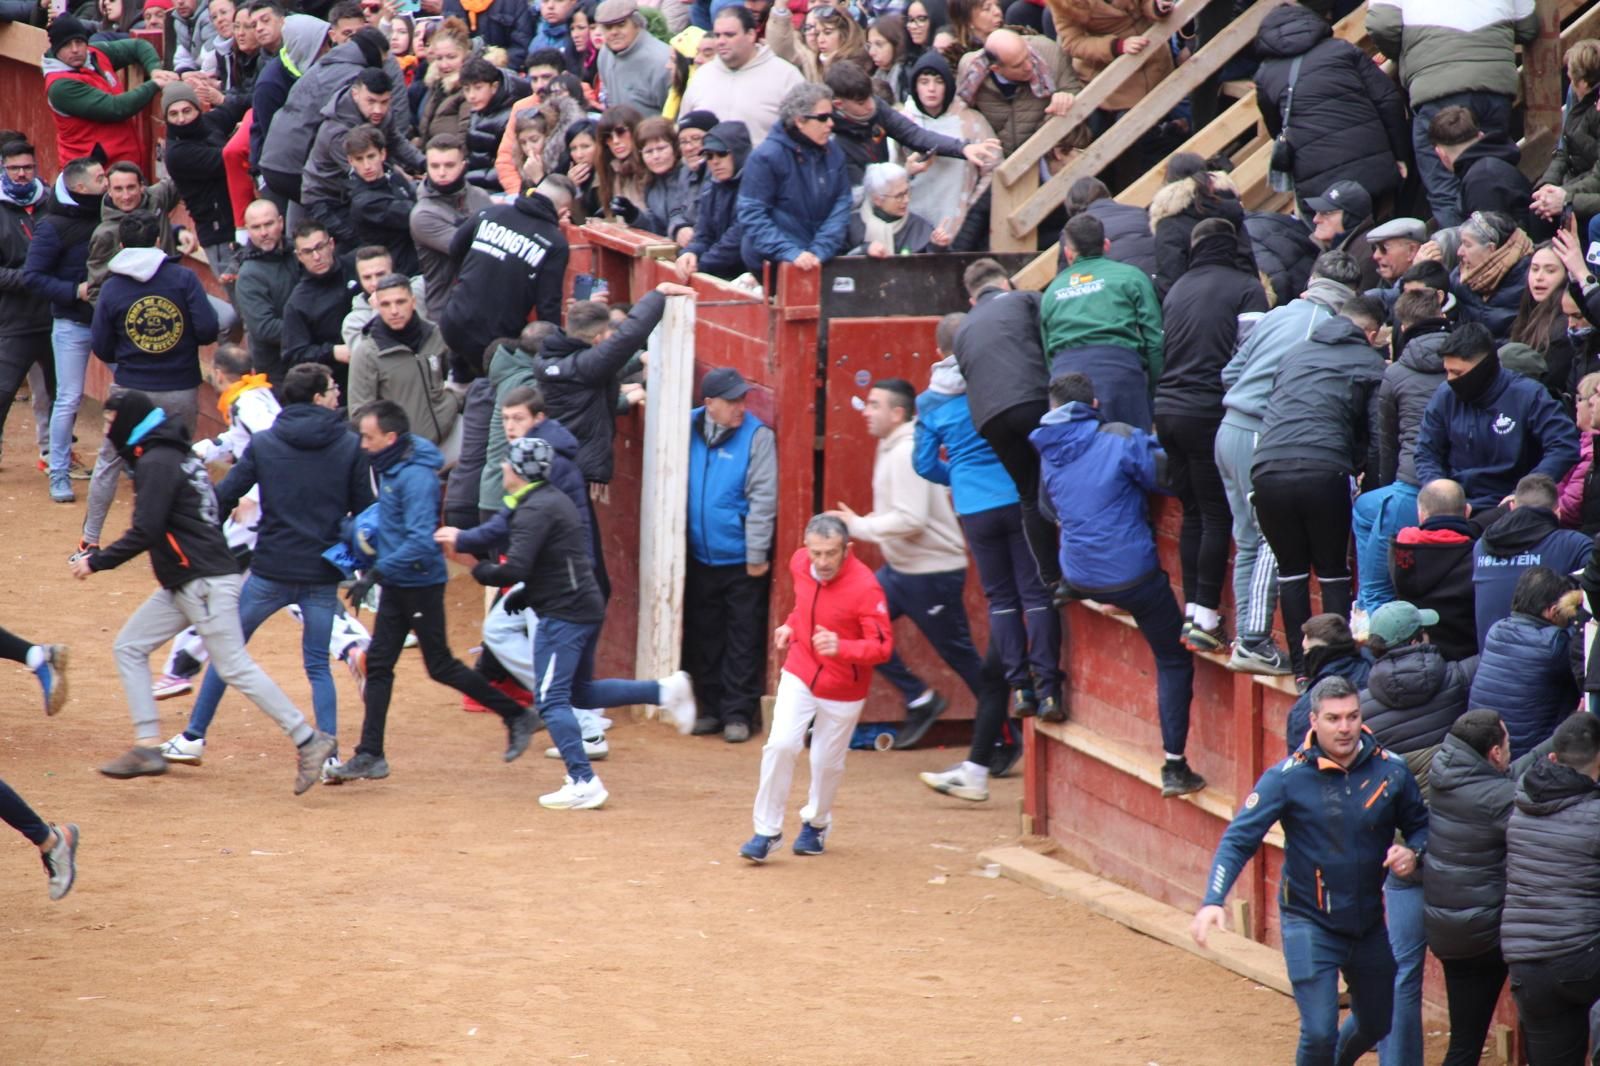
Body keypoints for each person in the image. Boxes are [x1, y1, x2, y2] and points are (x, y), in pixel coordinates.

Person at [72, 390, 336, 792]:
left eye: (110, 422)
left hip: (202, 581)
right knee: (130, 645)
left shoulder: (157, 461)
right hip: (191, 579)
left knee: (234, 666)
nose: (108, 430)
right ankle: (147, 746)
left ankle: (308, 739)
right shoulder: (174, 455)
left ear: (129, 422)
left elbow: (147, 529)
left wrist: (96, 560)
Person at [1192, 675, 1428, 1066]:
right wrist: (1213, 899)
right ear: (1314, 721)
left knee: (1376, 1023)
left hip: (1367, 922)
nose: (1346, 727)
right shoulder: (1285, 778)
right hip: (1308, 919)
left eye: (1353, 716)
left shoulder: (1392, 771)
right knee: (1319, 1030)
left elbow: (1421, 825)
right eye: (1334, 718)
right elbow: (1238, 839)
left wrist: (1413, 852)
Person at [466, 434, 696, 808]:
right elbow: (561, 561)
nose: (503, 466)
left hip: (565, 615)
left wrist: (481, 570)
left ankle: (583, 779)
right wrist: (528, 593)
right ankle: (665, 691)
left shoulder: (536, 508)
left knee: (550, 699)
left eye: (508, 462)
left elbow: (521, 566)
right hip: (578, 607)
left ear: (520, 471)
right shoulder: (549, 500)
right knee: (580, 693)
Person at [161, 361, 372, 767]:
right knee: (318, 666)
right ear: (316, 397)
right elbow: (364, 516)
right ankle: (329, 758)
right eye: (331, 389)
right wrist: (349, 564)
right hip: (320, 573)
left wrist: (205, 543)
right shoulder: (349, 446)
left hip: (270, 569)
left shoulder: (265, 445)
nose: (337, 395)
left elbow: (224, 497)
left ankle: (193, 738)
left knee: (228, 653)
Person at [326, 402, 540, 783]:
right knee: (378, 665)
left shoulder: (415, 478)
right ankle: (370, 754)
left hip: (419, 583)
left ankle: (516, 714)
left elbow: (421, 542)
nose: (362, 444)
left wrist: (375, 572)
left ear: (390, 438)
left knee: (439, 665)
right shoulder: (392, 466)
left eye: (368, 437)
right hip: (398, 581)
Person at [1033, 372, 1205, 796]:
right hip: (1132, 578)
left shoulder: (1046, 449)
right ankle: (1175, 767)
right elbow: (1166, 478)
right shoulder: (1118, 438)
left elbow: (1045, 506)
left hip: (1079, 573)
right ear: (1093, 404)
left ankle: (1076, 588)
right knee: (1173, 659)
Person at [1217, 249, 1360, 675]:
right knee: (1270, 541)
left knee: (1249, 539)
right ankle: (1255, 639)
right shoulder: (1323, 328)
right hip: (1267, 433)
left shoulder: (1277, 313)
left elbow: (1230, 374)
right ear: (1348, 297)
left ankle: (1249, 635)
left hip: (1230, 427)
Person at [914, 312, 1059, 725]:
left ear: (940, 352)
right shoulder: (994, 378)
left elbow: (924, 464)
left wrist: (958, 478)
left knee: (1001, 598)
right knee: (1036, 594)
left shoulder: (929, 401)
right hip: (1018, 496)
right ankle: (1048, 690)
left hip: (974, 508)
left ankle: (1021, 689)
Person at [831, 378, 988, 742]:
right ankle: (920, 699)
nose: (866, 412)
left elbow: (912, 519)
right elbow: (902, 512)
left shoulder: (905, 451)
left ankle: (1002, 735)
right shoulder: (891, 446)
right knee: (855, 626)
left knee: (961, 658)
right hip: (901, 572)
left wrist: (858, 526)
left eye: (874, 405)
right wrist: (864, 523)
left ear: (897, 413)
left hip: (931, 574)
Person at [1357, 599, 1476, 1066]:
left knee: (1402, 970)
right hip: (1461, 848)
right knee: (1468, 969)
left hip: (1403, 852)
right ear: (1418, 640)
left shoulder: (1362, 706)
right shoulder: (1456, 679)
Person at [739, 514, 894, 862]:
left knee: (825, 762)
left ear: (847, 550)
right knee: (780, 744)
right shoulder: (799, 563)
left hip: (844, 687)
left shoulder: (866, 588)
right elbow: (804, 607)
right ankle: (767, 831)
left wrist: (843, 647)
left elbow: (882, 646)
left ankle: (817, 823)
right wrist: (791, 626)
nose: (822, 562)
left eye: (831, 553)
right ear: (806, 548)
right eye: (816, 553)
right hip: (800, 669)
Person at [1250, 297, 1388, 676]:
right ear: (1371, 334)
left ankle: (1302, 670)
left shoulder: (1295, 353)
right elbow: (1377, 437)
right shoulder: (1370, 362)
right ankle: (1337, 668)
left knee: (1291, 570)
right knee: (1332, 572)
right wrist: (1372, 482)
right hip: (1323, 469)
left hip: (1267, 471)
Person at [1153, 217, 1267, 652]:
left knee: (1193, 513)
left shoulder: (1179, 287)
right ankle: (1206, 616)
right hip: (1206, 411)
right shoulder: (1245, 288)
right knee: (1217, 513)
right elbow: (1252, 355)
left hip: (1167, 411)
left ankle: (1193, 614)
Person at [83, 211, 217, 554]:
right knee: (180, 460)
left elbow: (101, 345)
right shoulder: (183, 279)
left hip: (130, 389)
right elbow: (207, 329)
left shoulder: (113, 287)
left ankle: (90, 538)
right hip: (180, 387)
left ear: (122, 245)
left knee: (110, 461)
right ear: (159, 241)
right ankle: (190, 539)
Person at [1367, 0, 1534, 229]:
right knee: (1493, 174)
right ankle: (1503, 250)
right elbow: (1528, 26)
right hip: (1494, 84)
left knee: (1445, 190)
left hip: (1435, 84)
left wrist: (1411, 50)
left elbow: (1382, 24)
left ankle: (1465, 256)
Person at [683, 368, 776, 744]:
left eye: (742, 399)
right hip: (698, 556)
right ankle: (710, 708)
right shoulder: (685, 426)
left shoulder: (757, 437)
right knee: (705, 633)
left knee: (742, 635)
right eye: (732, 401)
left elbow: (763, 500)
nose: (741, 407)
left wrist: (756, 552)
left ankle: (738, 712)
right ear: (709, 404)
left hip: (740, 559)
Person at [1501, 710, 1600, 1062]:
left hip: (1526, 963)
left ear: (1554, 758)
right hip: (1581, 956)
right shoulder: (1593, 815)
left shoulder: (1522, 807)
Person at [954, 257, 1057, 589]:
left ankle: (1052, 579)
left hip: (989, 418)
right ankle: (1084, 566)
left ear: (973, 299)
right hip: (1031, 398)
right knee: (1062, 473)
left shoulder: (962, 328)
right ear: (1006, 283)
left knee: (1028, 492)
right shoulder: (1026, 299)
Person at [1424, 708, 1518, 1066]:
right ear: (1495, 753)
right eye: (1508, 742)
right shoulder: (1496, 797)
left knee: (1465, 1040)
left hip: (1449, 929)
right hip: (1484, 934)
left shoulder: (1444, 775)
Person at [1351, 290, 1451, 622]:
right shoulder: (1464, 363)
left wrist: (1392, 487)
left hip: (1411, 485)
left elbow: (1387, 444)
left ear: (1402, 326)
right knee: (1366, 509)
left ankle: (1368, 614)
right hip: (1456, 486)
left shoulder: (1395, 373)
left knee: (1377, 590)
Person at [1252, 2, 1410, 210]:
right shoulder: (1343, 50)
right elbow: (1388, 101)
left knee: (1337, 236)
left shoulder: (1265, 75)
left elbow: (1277, 129)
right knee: (1384, 230)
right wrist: (1400, 155)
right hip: (1372, 167)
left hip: (1318, 182)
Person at [1413, 321, 1580, 513]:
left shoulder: (1527, 395)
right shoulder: (1445, 395)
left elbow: (1564, 444)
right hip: (1455, 504)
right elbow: (1426, 451)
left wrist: (1527, 492)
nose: (1450, 380)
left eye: (1457, 372)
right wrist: (1440, 491)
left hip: (1508, 504)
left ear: (1484, 367)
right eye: (1447, 371)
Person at [25, 156, 105, 506]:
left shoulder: (112, 216)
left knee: (129, 392)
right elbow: (33, 277)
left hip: (110, 322)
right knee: (69, 398)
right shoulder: (52, 225)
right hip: (72, 321)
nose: (109, 183)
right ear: (80, 187)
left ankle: (130, 464)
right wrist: (74, 291)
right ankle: (58, 470)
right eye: (102, 178)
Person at [440, 175, 574, 382]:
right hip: (495, 341)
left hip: (454, 321)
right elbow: (548, 305)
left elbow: (455, 248)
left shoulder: (491, 212)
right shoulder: (555, 243)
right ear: (564, 212)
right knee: (491, 394)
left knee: (461, 382)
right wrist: (554, 352)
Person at [1039, 212, 1164, 432]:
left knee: (1073, 455)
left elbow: (1048, 351)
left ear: (1068, 254)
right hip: (1120, 376)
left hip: (1066, 380)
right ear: (1106, 245)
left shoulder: (1052, 291)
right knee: (1130, 450)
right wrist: (1154, 391)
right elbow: (1154, 340)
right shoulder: (1132, 277)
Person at [737, 81, 852, 279]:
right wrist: (792, 253)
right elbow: (752, 214)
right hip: (774, 264)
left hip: (823, 259)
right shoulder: (766, 157)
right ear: (800, 121)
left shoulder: (834, 153)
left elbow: (842, 205)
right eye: (823, 118)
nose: (831, 124)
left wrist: (819, 251)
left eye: (831, 116)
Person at [823, 61, 998, 190]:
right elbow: (861, 192)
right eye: (862, 102)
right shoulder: (830, 138)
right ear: (839, 104)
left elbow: (913, 134)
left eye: (871, 96)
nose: (871, 105)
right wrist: (903, 174)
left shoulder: (876, 107)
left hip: (885, 194)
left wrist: (962, 148)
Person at [1471, 565, 1583, 758]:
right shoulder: (1553, 644)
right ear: (1553, 611)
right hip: (1530, 756)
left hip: (1489, 751)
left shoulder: (1497, 630)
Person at [1472, 472, 1591, 647]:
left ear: (1512, 507)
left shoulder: (1481, 547)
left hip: (1488, 665)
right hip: (1548, 667)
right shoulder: (1575, 545)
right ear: (1557, 513)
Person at [348, 273, 461, 454]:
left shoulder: (436, 335)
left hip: (451, 438)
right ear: (377, 306)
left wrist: (453, 400)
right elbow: (360, 415)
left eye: (400, 302)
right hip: (407, 454)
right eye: (386, 304)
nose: (394, 311)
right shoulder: (367, 353)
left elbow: (457, 375)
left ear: (413, 301)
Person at [41, 15, 172, 167]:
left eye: (79, 42)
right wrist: (154, 84)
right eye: (66, 45)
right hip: (91, 174)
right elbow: (116, 108)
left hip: (121, 166)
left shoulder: (94, 55)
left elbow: (138, 46)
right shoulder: (60, 86)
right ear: (56, 49)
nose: (75, 50)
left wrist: (154, 69)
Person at [0, 139, 56, 474]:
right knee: (3, 390)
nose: (22, 174)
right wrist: (32, 279)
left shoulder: (51, 202)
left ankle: (55, 453)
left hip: (52, 314)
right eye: (14, 168)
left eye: (27, 167)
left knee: (56, 391)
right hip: (12, 317)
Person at [895, 52, 995, 232]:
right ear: (915, 86)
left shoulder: (972, 121)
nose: (931, 88)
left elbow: (993, 168)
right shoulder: (901, 122)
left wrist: (970, 208)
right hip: (911, 224)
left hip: (959, 223)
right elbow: (889, 171)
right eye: (924, 82)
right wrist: (906, 173)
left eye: (938, 82)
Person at [680, 5, 804, 146]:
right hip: (709, 166)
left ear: (751, 35)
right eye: (717, 35)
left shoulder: (786, 75)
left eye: (729, 35)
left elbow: (805, 132)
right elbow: (685, 131)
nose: (721, 41)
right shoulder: (701, 76)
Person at [952, 28, 1081, 158]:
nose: (1029, 66)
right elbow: (962, 115)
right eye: (1018, 65)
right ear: (996, 69)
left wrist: (1065, 97)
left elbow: (1075, 92)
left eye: (1028, 56)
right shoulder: (970, 74)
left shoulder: (1050, 52)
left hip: (1048, 153)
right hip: (1001, 161)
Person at [1391, 479, 1481, 661]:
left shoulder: (1399, 551)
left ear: (1421, 516)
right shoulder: (1477, 557)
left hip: (1410, 662)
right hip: (1464, 665)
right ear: (1467, 512)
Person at [411, 133, 492, 308]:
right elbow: (473, 249)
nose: (441, 172)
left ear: (463, 165)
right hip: (447, 309)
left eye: (449, 165)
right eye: (435, 166)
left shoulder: (480, 196)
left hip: (487, 301)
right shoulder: (423, 214)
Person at [281, 219, 360, 395]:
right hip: (341, 386)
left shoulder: (358, 267)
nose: (316, 257)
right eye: (308, 252)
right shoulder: (298, 303)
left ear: (331, 244)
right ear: (299, 256)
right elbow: (294, 355)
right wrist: (331, 352)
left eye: (320, 247)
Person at [1428, 106, 1532, 233]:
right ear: (1481, 136)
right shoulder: (1488, 169)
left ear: (1441, 154)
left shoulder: (1481, 180)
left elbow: (1489, 240)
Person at [1283, 612, 1376, 753]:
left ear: (1318, 654)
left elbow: (1300, 765)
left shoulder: (1305, 709)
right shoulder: (1377, 670)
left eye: (1306, 651)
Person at [673, 121, 751, 281]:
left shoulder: (756, 184)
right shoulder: (712, 188)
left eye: (721, 154)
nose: (715, 161)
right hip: (719, 272)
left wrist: (700, 264)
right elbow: (703, 235)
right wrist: (690, 253)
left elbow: (737, 237)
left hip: (749, 274)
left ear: (738, 152)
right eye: (708, 156)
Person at [233, 200, 296, 384]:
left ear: (281, 222)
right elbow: (265, 328)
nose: (264, 233)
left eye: (269, 224)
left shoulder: (298, 254)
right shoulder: (248, 275)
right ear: (248, 230)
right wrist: (312, 330)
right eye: (256, 227)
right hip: (277, 371)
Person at [344, 127, 420, 276]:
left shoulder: (393, 176)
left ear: (382, 154)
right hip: (397, 272)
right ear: (351, 161)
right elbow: (416, 214)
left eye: (371, 156)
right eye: (359, 159)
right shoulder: (365, 202)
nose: (367, 166)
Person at [1448, 211, 1534, 342]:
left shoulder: (1529, 279)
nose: (1459, 252)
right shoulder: (1460, 275)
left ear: (1491, 249)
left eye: (1467, 244)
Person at [1063, 176, 1158, 282]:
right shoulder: (1140, 213)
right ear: (1108, 196)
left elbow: (1063, 280)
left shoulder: (1072, 231)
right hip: (1152, 281)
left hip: (1111, 289)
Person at [846, 162, 951, 256]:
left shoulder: (919, 227)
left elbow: (938, 269)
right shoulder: (850, 226)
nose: (906, 200)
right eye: (899, 196)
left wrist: (937, 246)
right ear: (877, 199)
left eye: (907, 192)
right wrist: (864, 250)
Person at [595, 0, 672, 115]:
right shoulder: (604, 54)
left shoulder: (663, 60)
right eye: (608, 27)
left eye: (621, 25)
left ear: (637, 23)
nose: (614, 32)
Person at [442, 0, 533, 69]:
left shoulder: (514, 3)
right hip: (459, 71)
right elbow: (447, 40)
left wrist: (494, 65)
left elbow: (522, 45)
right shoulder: (451, 2)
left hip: (501, 71)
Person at [1365, 217, 1427, 313]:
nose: (1376, 256)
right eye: (1375, 248)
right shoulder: (1385, 281)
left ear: (1411, 251)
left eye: (1384, 248)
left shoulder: (1426, 287)